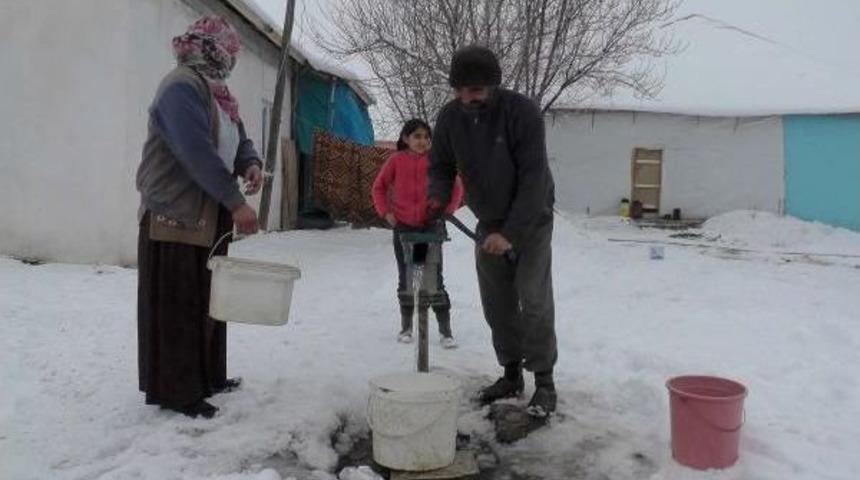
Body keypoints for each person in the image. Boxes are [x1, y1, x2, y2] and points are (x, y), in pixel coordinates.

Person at [135, 16, 263, 418]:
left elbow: (236, 137)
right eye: (229, 51)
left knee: (210, 300)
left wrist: (250, 162)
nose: (233, 59)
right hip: (174, 213)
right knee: (179, 303)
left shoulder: (217, 91)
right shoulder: (180, 87)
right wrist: (235, 202)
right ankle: (178, 390)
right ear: (212, 48)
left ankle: (207, 376)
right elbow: (196, 152)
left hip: (208, 214)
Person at [427, 45, 558, 417]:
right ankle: (511, 374)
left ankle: (545, 382)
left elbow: (534, 178)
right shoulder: (450, 118)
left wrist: (511, 233)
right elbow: (439, 165)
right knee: (497, 304)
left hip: (531, 220)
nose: (469, 98)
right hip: (488, 223)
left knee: (533, 299)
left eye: (478, 90)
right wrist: (437, 197)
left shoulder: (522, 113)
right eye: (462, 90)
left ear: (494, 86)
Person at [372, 119, 464, 348]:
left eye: (426, 137)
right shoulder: (396, 160)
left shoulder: (436, 161)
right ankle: (406, 327)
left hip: (429, 227)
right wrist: (387, 213)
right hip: (404, 228)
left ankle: (445, 331)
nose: (422, 141)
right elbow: (379, 188)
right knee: (407, 277)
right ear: (406, 138)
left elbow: (456, 186)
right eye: (417, 136)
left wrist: (446, 210)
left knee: (431, 278)